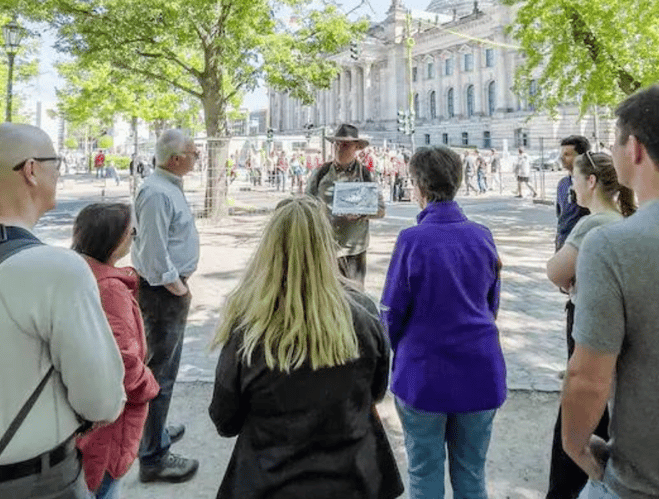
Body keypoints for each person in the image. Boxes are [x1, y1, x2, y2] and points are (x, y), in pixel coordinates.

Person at [0, 123, 126, 499]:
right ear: (31, 170)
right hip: (35, 481)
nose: (59, 173)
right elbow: (103, 401)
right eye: (55, 163)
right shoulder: (56, 268)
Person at [209, 196, 404, 499]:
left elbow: (225, 419)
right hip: (354, 479)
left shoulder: (247, 326)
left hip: (270, 481)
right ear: (327, 244)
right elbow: (376, 391)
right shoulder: (363, 312)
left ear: (269, 248)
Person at [381, 145, 506, 499]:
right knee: (472, 475)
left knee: (425, 473)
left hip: (423, 373)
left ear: (418, 185)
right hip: (480, 368)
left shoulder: (412, 239)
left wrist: (396, 352)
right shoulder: (482, 234)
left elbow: (392, 310)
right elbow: (491, 303)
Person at [562, 84, 659, 499]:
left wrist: (576, 447)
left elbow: (587, 377)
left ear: (634, 149)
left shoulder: (613, 245)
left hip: (639, 482)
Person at [546, 151, 635, 499]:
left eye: (576, 179)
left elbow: (555, 271)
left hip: (587, 323)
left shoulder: (592, 223)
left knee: (580, 414)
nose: (571, 187)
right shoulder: (625, 219)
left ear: (591, 182)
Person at [72, 203, 161, 499]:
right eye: (131, 232)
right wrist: (147, 386)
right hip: (110, 427)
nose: (134, 236)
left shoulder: (81, 274)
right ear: (114, 240)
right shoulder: (110, 289)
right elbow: (122, 359)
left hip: (88, 421)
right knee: (105, 487)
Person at [131, 128, 200, 483]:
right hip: (163, 293)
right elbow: (155, 254)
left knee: (163, 370)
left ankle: (154, 434)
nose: (197, 156)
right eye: (193, 152)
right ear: (176, 159)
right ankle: (153, 457)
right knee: (161, 373)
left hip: (165, 291)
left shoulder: (165, 187)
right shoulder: (158, 193)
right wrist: (177, 287)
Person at [545, 134, 593, 499]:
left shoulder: (596, 223)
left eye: (568, 157)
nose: (562, 162)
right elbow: (562, 222)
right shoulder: (563, 185)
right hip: (567, 260)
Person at [306, 123, 385, 287]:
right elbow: (306, 204)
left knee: (354, 301)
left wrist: (362, 214)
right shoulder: (321, 172)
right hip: (324, 248)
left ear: (357, 147)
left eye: (345, 144)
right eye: (337, 143)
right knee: (325, 300)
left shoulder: (365, 174)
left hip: (353, 251)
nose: (339, 148)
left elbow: (381, 210)